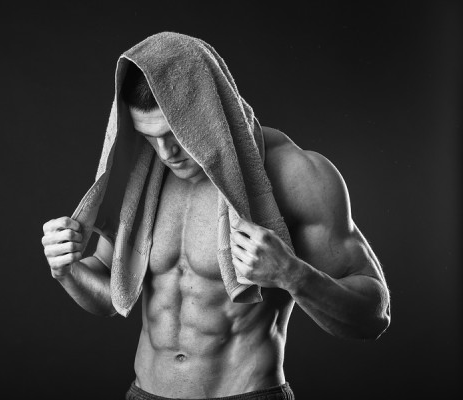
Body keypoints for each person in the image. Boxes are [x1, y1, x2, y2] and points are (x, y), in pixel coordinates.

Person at [41, 33, 390, 400]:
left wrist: (292, 274)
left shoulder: (295, 174)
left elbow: (372, 316)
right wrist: (66, 271)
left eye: (173, 133)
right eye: (149, 137)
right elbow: (109, 298)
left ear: (208, 109)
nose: (165, 153)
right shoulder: (141, 179)